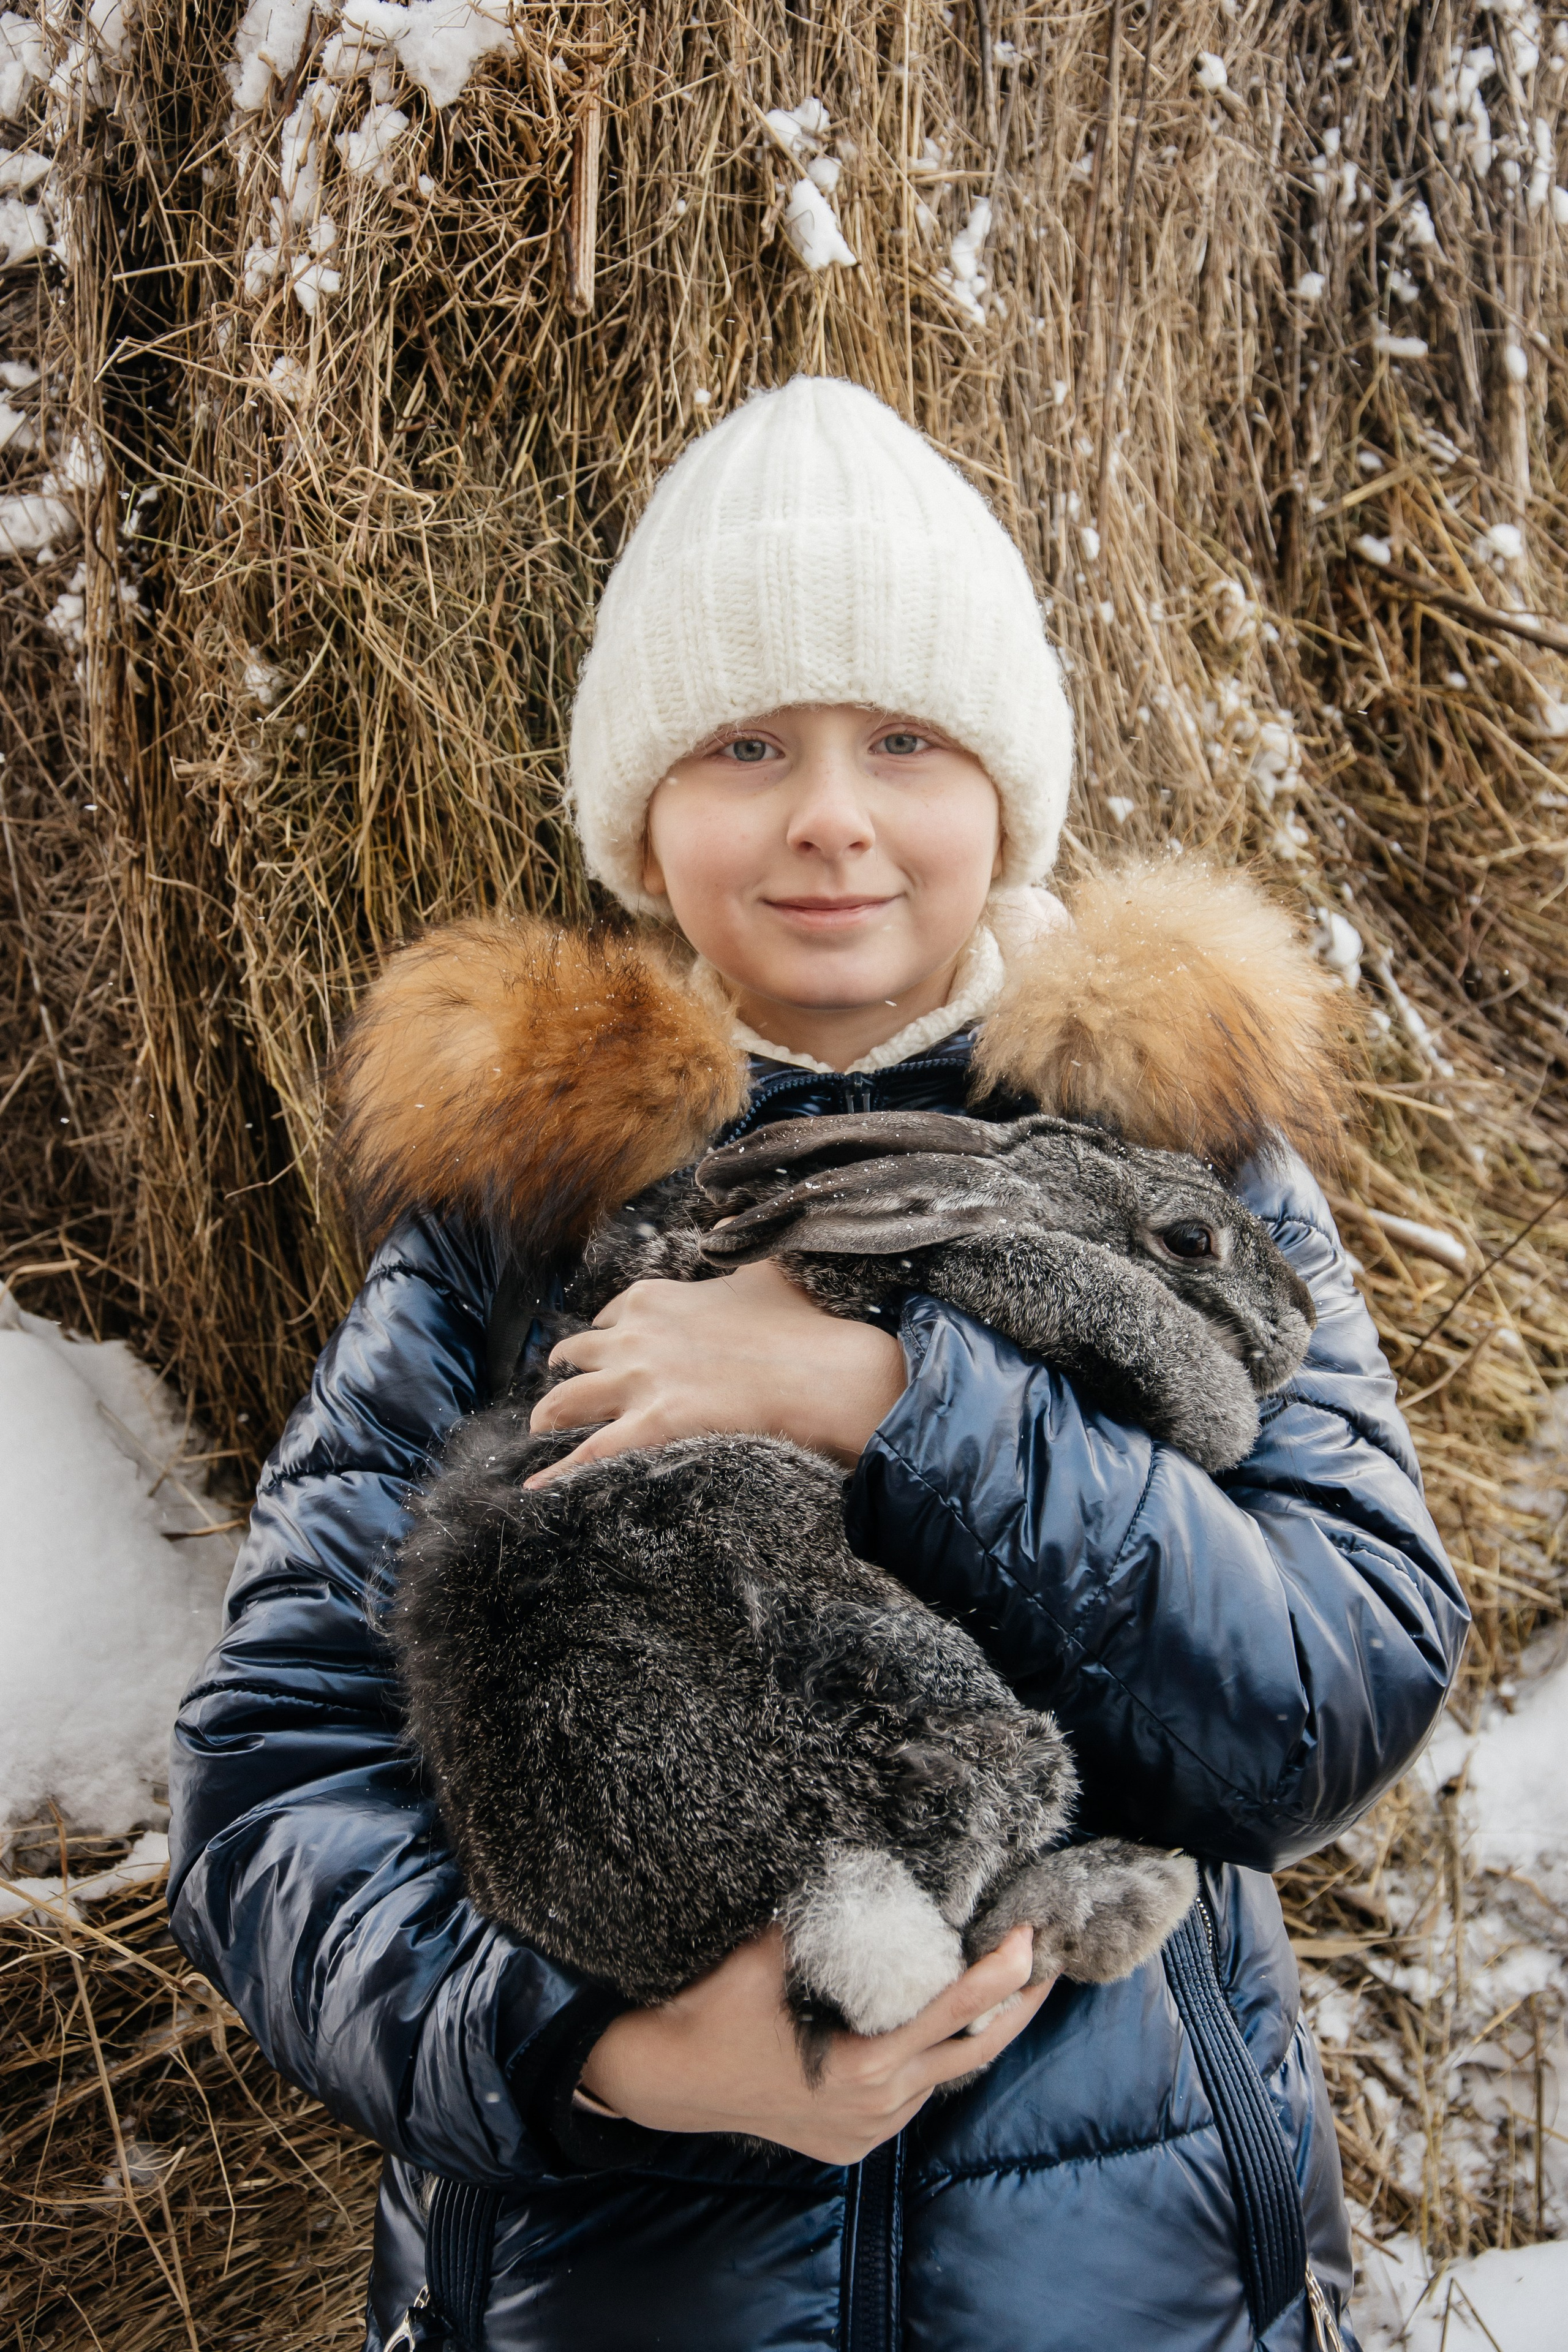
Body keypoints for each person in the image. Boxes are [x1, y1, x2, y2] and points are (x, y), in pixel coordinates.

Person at [168, 377, 1468, 2351]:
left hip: (1118, 2285)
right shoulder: (512, 1210)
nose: (832, 817)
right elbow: (277, 1787)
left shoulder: (1185, 1164)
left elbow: (1333, 1693)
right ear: (646, 811)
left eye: (909, 741)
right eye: (748, 744)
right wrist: (613, 2055)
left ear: (1006, 792)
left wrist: (896, 1405)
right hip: (626, 2284)